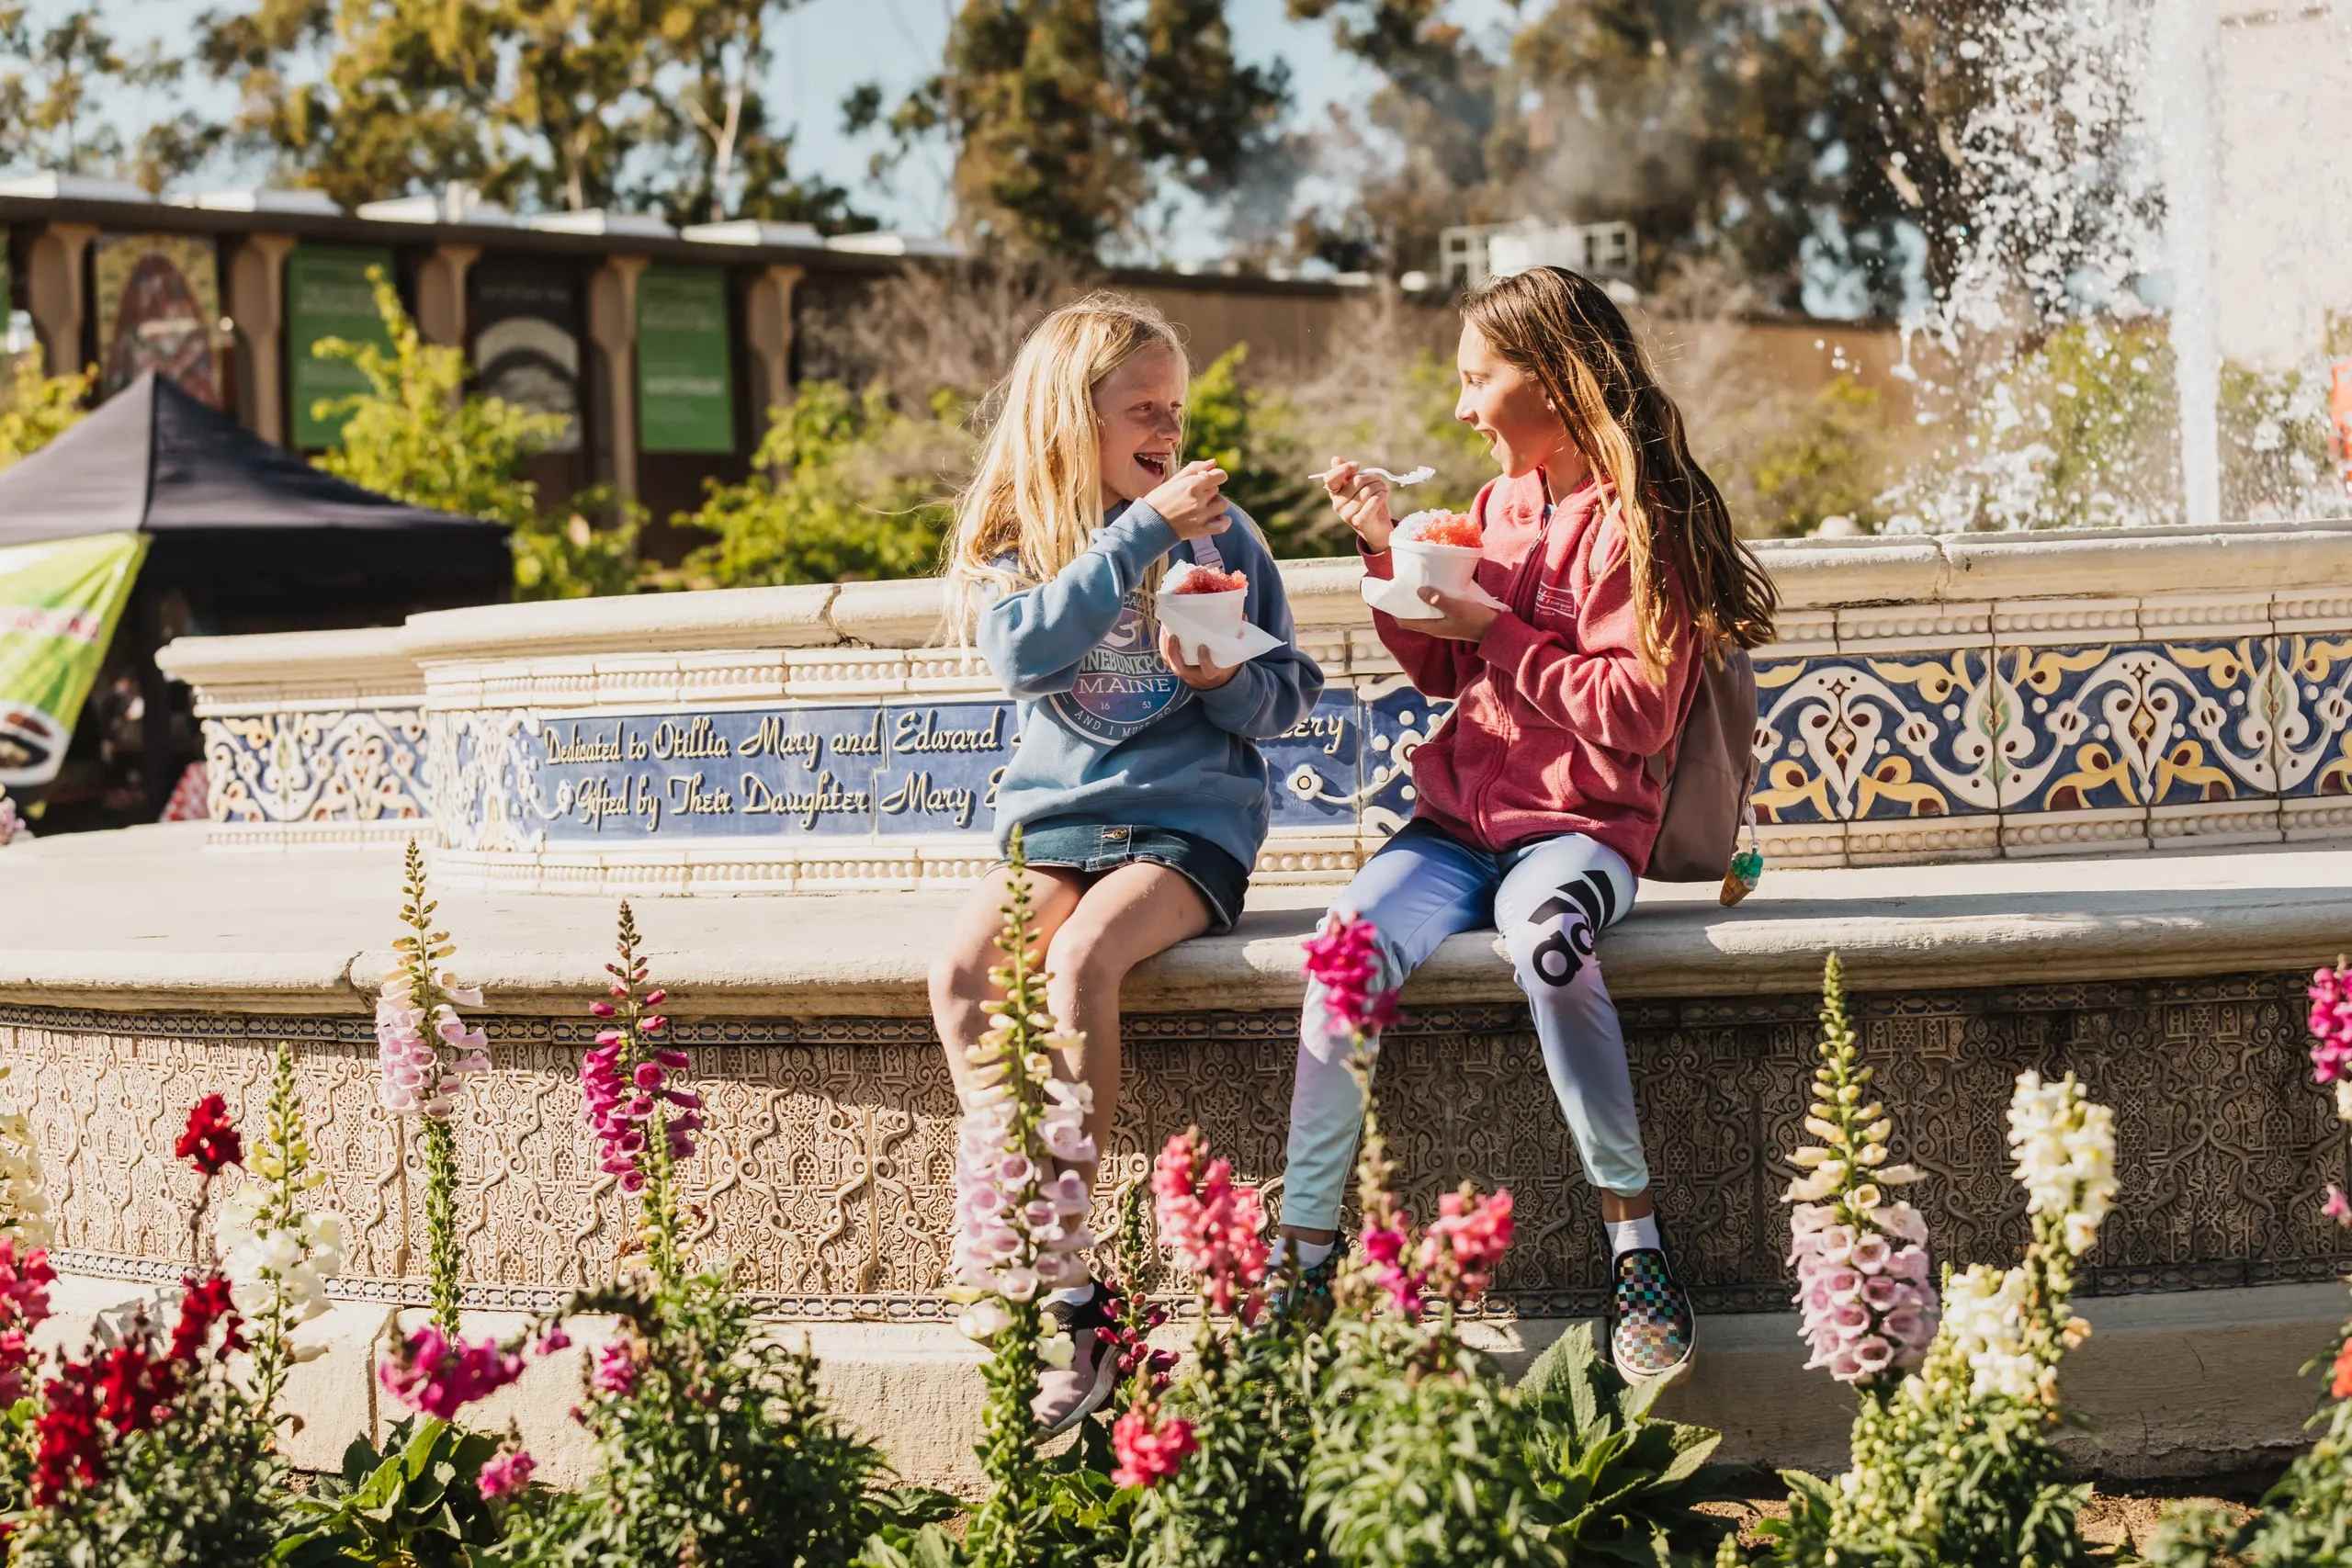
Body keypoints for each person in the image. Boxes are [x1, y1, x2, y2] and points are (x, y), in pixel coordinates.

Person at [1276, 265, 1777, 1378]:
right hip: (1456, 827)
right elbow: (1448, 664)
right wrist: (1378, 553)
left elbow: (1635, 717)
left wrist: (1497, 627)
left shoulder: (1649, 527)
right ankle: (1304, 1258)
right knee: (1343, 957)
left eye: (1475, 378)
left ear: (1552, 381)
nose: (1459, 409)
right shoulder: (1500, 506)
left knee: (1549, 950)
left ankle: (1636, 1245)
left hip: (1579, 832)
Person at [931, 291, 1324, 1429]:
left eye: (1177, 406)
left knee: (1083, 964)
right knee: (959, 976)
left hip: (1185, 824)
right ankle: (1032, 1242)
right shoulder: (1019, 535)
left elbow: (1287, 694)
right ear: (1073, 417)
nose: (1171, 427)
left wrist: (1223, 683)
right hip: (1054, 821)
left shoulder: (1225, 535)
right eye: (1143, 407)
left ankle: (1057, 1274)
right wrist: (1140, 529)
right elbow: (1022, 653)